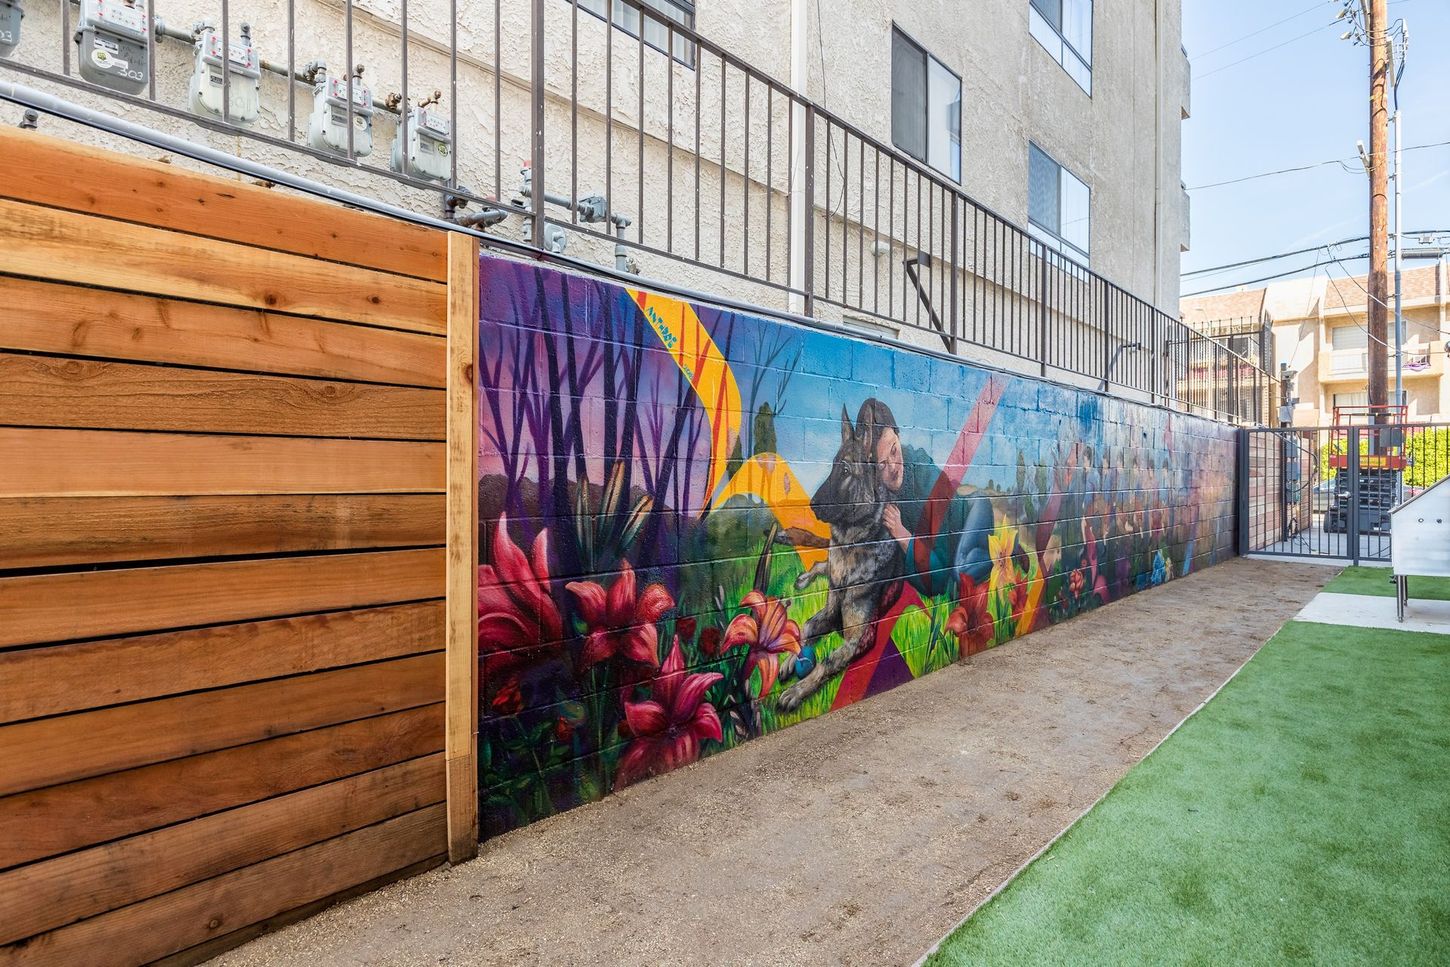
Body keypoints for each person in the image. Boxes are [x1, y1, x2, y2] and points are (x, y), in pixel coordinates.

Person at [853, 398, 994, 598]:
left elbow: (939, 579)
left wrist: (902, 534)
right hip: (952, 528)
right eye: (882, 464)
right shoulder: (874, 491)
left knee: (960, 574)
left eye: (894, 450)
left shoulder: (926, 480)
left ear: (898, 436)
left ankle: (1003, 550)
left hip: (972, 514)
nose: (893, 467)